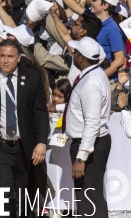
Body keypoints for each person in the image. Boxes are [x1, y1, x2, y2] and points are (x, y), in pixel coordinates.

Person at [0, 39, 49, 216]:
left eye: (10, 56)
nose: (5, 60)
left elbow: (40, 113)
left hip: (23, 146)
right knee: (6, 190)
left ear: (18, 58)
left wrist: (42, 142)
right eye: (2, 56)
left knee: (20, 194)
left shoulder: (32, 77)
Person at [63, 37, 111, 218]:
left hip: (89, 143)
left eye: (75, 52)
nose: (73, 54)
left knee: (89, 196)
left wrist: (81, 158)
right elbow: (83, 106)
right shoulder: (95, 74)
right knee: (89, 194)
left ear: (81, 58)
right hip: (92, 141)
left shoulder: (91, 82)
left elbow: (92, 122)